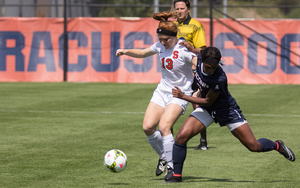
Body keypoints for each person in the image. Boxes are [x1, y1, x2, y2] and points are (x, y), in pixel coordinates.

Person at [167, 47, 295, 183]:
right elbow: (200, 51)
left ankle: (277, 145)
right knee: (181, 137)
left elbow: (208, 101)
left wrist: (183, 96)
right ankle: (176, 178)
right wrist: (190, 47)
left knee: (254, 146)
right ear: (202, 61)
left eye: (214, 67)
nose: (211, 70)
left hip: (226, 110)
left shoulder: (219, 78)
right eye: (208, 67)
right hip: (208, 110)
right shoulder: (199, 58)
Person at [116, 11, 198, 181]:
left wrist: (198, 73)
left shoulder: (182, 48)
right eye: (160, 39)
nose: (162, 42)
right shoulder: (160, 45)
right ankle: (163, 155)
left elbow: (197, 61)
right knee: (147, 127)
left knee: (164, 127)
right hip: (162, 91)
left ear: (174, 36)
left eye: (165, 39)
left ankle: (171, 166)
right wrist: (125, 51)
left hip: (179, 94)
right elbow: (143, 52)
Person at [174, 0, 209, 150]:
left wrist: (190, 48)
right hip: (177, 72)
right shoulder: (172, 25)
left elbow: (202, 50)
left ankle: (203, 142)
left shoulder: (196, 25)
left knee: (196, 103)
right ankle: (170, 139)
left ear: (188, 9)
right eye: (177, 9)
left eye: (182, 8)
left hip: (193, 69)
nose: (179, 11)